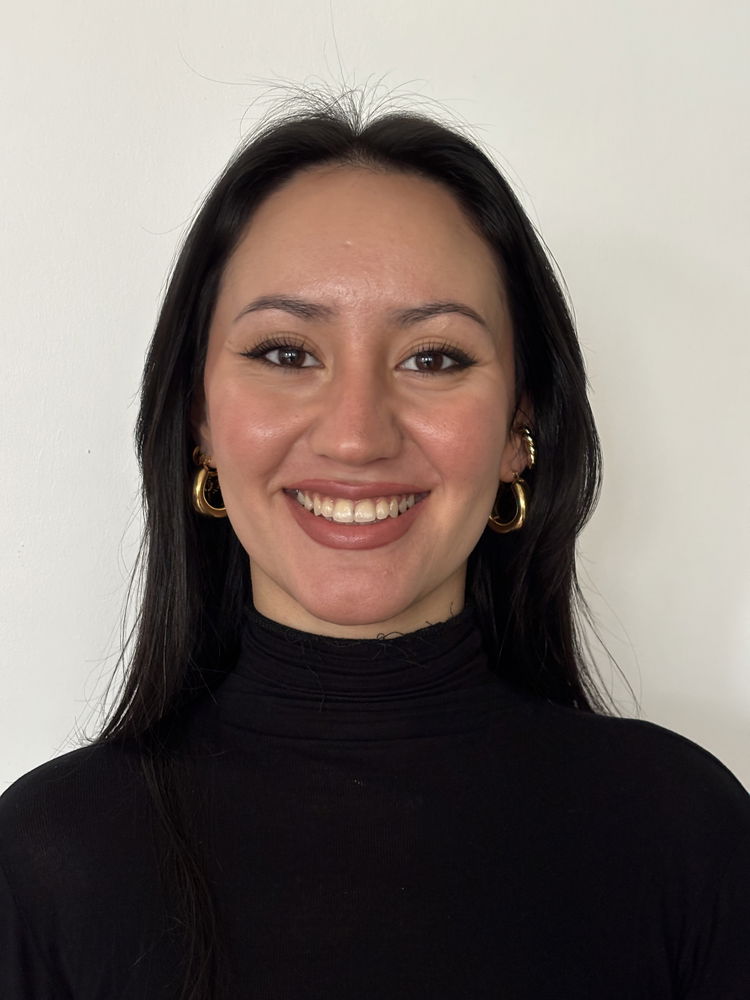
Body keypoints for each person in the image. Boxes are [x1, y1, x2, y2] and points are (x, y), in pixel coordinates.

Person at [1, 93, 748, 1000]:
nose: (356, 436)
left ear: (520, 428)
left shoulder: (683, 835)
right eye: (286, 353)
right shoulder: (43, 865)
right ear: (199, 419)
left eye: (434, 357)